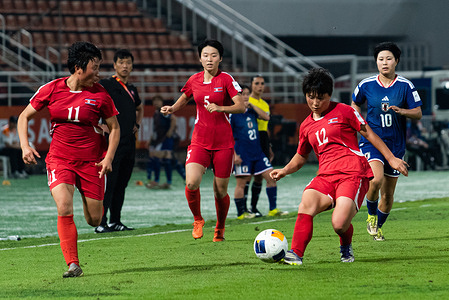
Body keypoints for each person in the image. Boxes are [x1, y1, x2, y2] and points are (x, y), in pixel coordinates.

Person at [270, 68, 408, 265]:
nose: (315, 103)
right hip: (325, 176)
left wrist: (391, 158)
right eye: (311, 97)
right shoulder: (306, 126)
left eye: (321, 98)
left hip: (353, 173)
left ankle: (345, 244)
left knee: (339, 224)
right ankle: (296, 254)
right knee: (306, 202)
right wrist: (284, 170)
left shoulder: (344, 111)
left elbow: (369, 134)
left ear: (329, 95)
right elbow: (301, 157)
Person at [17, 41, 120, 277]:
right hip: (60, 159)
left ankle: (89, 198)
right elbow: (24, 116)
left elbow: (115, 128)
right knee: (64, 207)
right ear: (78, 68)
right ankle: (73, 264)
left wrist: (108, 158)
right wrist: (25, 146)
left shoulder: (101, 95)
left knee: (95, 219)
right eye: (94, 67)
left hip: (92, 162)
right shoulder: (51, 89)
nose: (98, 72)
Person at [160, 39, 245, 242]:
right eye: (205, 55)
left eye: (214, 55)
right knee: (191, 182)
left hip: (223, 143)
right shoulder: (194, 80)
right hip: (200, 140)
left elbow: (240, 106)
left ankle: (220, 228)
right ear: (200, 58)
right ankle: (198, 219)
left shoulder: (226, 79)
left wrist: (221, 108)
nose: (209, 59)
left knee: (220, 190)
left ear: (220, 58)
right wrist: (172, 108)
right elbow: (185, 97)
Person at [351, 42, 423, 241]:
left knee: (388, 195)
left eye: (389, 59)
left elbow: (418, 113)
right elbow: (354, 104)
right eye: (381, 59)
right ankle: (371, 216)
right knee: (375, 179)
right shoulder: (366, 85)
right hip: (372, 143)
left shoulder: (405, 86)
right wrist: (359, 121)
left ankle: (378, 227)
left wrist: (403, 111)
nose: (384, 63)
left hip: (396, 145)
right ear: (376, 62)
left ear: (396, 61)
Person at [95, 49, 143, 233]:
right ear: (114, 65)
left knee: (122, 183)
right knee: (109, 183)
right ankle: (100, 222)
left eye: (128, 62)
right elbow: (93, 102)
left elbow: (140, 108)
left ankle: (115, 221)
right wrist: (99, 125)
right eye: (121, 62)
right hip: (111, 143)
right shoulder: (106, 84)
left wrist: (137, 125)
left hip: (129, 143)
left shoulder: (132, 89)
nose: (125, 66)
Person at [230, 85, 284, 219]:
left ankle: (273, 209)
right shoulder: (232, 115)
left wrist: (252, 106)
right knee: (241, 183)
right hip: (243, 154)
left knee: (271, 177)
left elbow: (266, 117)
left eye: (247, 94)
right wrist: (234, 155)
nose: (246, 97)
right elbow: (227, 136)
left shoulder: (251, 111)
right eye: (243, 94)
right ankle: (241, 213)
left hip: (257, 153)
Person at [246, 75, 278, 217]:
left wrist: (269, 146)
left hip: (263, 138)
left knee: (259, 177)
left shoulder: (264, 104)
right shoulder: (247, 101)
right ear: (251, 85)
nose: (260, 86)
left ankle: (254, 208)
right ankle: (247, 209)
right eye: (257, 83)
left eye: (262, 83)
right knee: (249, 177)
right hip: (252, 139)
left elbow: (265, 127)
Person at [146, 95, 177, 189]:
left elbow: (173, 118)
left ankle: (163, 181)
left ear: (162, 102)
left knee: (164, 159)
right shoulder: (156, 113)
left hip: (165, 139)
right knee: (162, 159)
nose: (156, 103)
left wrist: (170, 131)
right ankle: (163, 181)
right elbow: (156, 129)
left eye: (158, 101)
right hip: (159, 140)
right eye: (154, 101)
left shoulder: (163, 110)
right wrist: (150, 139)